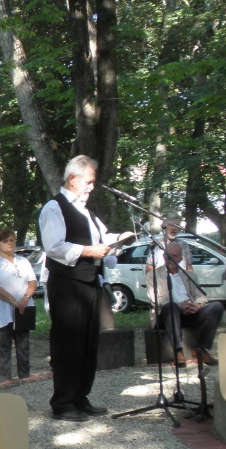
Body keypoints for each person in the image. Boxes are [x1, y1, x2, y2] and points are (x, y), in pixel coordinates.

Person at [40, 155, 132, 422]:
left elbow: (103, 239)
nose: (92, 187)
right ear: (72, 179)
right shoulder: (54, 208)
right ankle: (63, 403)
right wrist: (89, 251)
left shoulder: (87, 213)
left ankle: (80, 397)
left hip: (90, 282)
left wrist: (119, 239)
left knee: (88, 343)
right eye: (88, 182)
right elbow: (54, 247)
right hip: (67, 285)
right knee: (68, 343)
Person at [150, 241, 225, 366]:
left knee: (217, 307)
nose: (170, 258)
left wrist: (197, 306)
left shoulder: (190, 276)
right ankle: (178, 351)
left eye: (174, 256)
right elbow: (156, 300)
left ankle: (201, 348)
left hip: (189, 312)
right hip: (167, 314)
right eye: (168, 255)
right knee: (171, 306)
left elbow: (200, 296)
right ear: (163, 256)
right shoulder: (153, 276)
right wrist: (180, 305)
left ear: (180, 259)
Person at [0, 229, 37, 380]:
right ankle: (5, 380)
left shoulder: (23, 261)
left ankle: (25, 377)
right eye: (5, 241)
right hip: (3, 311)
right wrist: (14, 301)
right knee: (4, 346)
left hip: (23, 309)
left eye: (12, 240)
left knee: (23, 345)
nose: (9, 243)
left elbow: (32, 281)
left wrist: (25, 298)